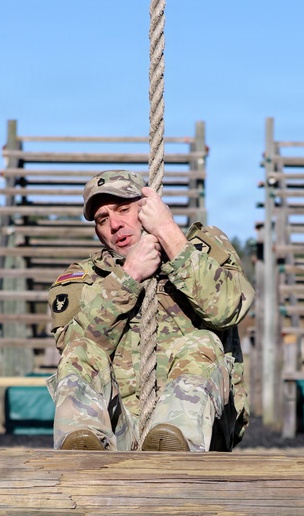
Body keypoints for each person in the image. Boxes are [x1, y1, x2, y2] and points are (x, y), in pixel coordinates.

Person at [46, 170, 254, 452]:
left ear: (147, 206)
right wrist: (128, 277)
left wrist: (168, 232)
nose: (114, 225)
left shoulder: (203, 249)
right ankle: (83, 456)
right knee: (80, 350)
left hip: (202, 430)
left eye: (123, 210)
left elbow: (227, 308)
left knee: (201, 343)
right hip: (121, 432)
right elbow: (73, 351)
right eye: (102, 219)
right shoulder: (83, 279)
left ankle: (172, 446)